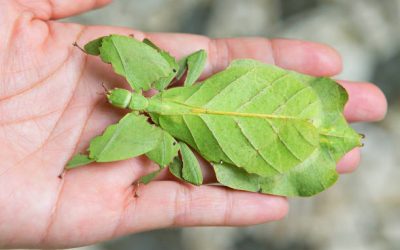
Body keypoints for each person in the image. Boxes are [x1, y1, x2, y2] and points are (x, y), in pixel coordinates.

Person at [0, 1, 387, 248]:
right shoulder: (166, 101)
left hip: (299, 118)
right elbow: (198, 58)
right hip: (285, 114)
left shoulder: (162, 140)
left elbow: (199, 58)